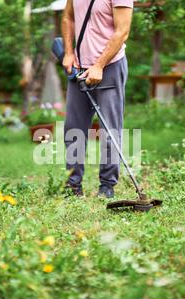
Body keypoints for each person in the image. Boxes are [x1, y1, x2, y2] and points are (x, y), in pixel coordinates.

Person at [61, 0, 133, 198]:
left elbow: (122, 31)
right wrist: (68, 52)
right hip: (79, 69)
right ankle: (73, 186)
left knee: (110, 129)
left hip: (110, 66)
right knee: (73, 129)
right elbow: (68, 17)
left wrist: (99, 65)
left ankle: (107, 186)